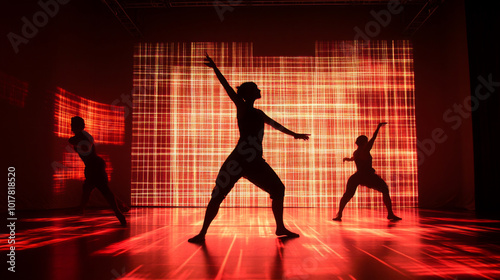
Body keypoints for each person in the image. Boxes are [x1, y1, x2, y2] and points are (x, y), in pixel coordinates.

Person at [188, 54, 310, 243]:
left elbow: (275, 124)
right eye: (256, 88)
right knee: (219, 194)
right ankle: (202, 233)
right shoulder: (242, 107)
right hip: (241, 159)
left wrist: (295, 134)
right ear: (249, 94)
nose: (259, 90)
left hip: (249, 161)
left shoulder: (257, 112)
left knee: (277, 189)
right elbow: (228, 89)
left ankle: (279, 227)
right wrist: (215, 69)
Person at [333, 122, 401, 221]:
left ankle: (339, 215)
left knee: (347, 194)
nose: (368, 142)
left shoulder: (356, 152)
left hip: (358, 176)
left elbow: (354, 158)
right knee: (385, 189)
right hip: (368, 176)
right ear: (365, 142)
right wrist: (378, 127)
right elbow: (374, 138)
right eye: (367, 141)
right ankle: (390, 214)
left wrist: (348, 159)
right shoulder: (365, 150)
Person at [69, 116, 127, 226]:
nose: (71, 126)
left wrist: (77, 143)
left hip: (94, 166)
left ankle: (119, 212)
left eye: (73, 124)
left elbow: (81, 145)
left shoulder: (82, 137)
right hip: (93, 166)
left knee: (102, 190)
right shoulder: (82, 136)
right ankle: (118, 209)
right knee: (89, 189)